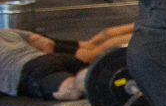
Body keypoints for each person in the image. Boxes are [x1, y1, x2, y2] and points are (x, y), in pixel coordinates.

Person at [0, 23, 133, 101]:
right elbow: (46, 43)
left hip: (29, 70)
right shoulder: (5, 31)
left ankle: (97, 80)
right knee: (95, 64)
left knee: (71, 89)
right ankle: (130, 73)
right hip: (56, 58)